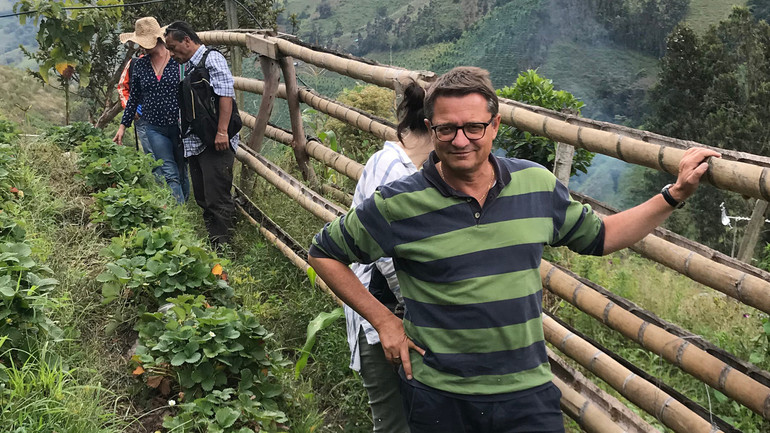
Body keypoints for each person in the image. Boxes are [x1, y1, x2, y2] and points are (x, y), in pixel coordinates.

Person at [308, 66, 720, 433]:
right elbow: (324, 251)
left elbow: (603, 235)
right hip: (439, 394)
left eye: (474, 127)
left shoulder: (535, 185)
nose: (460, 140)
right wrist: (384, 321)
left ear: (495, 125)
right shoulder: (398, 203)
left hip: (526, 391)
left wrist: (674, 194)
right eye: (446, 129)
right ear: (431, 129)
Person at [347, 80, 432, 433]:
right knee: (396, 422)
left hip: (391, 315)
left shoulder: (405, 165)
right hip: (384, 319)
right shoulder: (394, 170)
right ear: (432, 126)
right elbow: (390, 259)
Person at [164, 20, 237, 248]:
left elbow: (226, 95)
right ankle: (215, 243)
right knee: (203, 198)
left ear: (187, 40)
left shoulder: (211, 59)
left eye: (173, 48)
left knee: (217, 198)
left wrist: (222, 132)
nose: (171, 54)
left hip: (215, 142)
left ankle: (225, 248)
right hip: (195, 142)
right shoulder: (187, 65)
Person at [114, 17, 188, 204]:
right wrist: (123, 125)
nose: (142, 47)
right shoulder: (138, 65)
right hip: (154, 127)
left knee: (182, 171)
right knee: (169, 172)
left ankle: (184, 208)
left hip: (179, 125)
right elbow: (133, 97)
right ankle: (177, 214)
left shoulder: (178, 61)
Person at [117, 50, 148, 152]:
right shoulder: (134, 63)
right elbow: (122, 87)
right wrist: (131, 110)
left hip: (168, 118)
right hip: (141, 116)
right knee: (152, 156)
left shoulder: (170, 60)